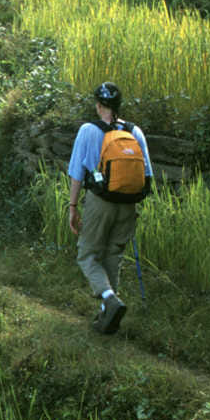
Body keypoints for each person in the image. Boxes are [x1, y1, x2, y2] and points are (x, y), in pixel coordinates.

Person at [66, 81, 153, 334]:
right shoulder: (135, 132)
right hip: (128, 205)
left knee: (87, 254)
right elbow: (147, 173)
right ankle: (107, 316)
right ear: (118, 105)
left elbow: (76, 173)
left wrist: (72, 206)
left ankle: (109, 299)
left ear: (98, 105)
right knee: (113, 256)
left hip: (100, 202)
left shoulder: (88, 130)